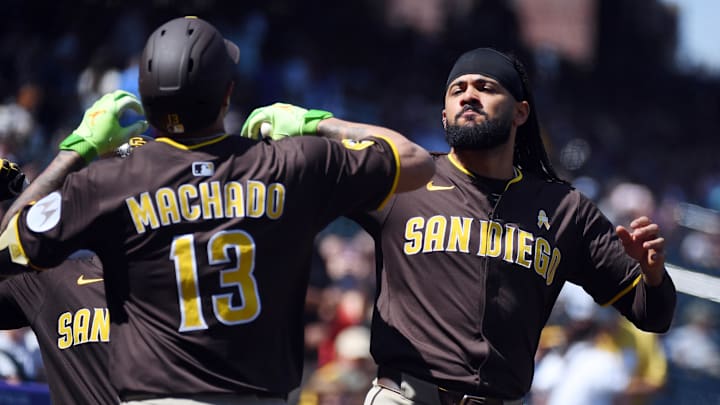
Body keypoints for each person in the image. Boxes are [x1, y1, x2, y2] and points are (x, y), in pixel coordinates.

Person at [0, 16, 434, 405]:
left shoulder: (108, 183)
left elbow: (6, 246)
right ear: (228, 93)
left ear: (145, 96)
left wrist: (77, 151)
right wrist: (314, 122)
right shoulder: (289, 164)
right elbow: (416, 160)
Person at [243, 47, 677, 405]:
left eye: (485, 88)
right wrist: (305, 125)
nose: (468, 96)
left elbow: (651, 314)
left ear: (521, 112)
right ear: (445, 114)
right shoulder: (404, 179)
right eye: (457, 90)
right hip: (405, 396)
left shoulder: (565, 208)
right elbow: (304, 177)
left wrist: (653, 275)